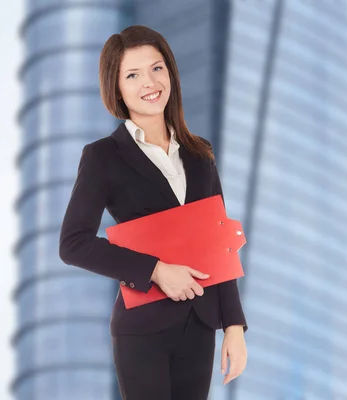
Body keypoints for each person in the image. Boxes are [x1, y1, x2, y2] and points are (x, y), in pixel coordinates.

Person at [58, 25, 248, 399]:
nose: (149, 82)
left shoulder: (200, 155)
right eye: (132, 74)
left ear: (171, 73)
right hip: (142, 329)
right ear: (117, 88)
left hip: (200, 322)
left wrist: (234, 327)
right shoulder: (102, 157)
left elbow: (219, 241)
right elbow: (73, 243)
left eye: (157, 68)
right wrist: (156, 271)